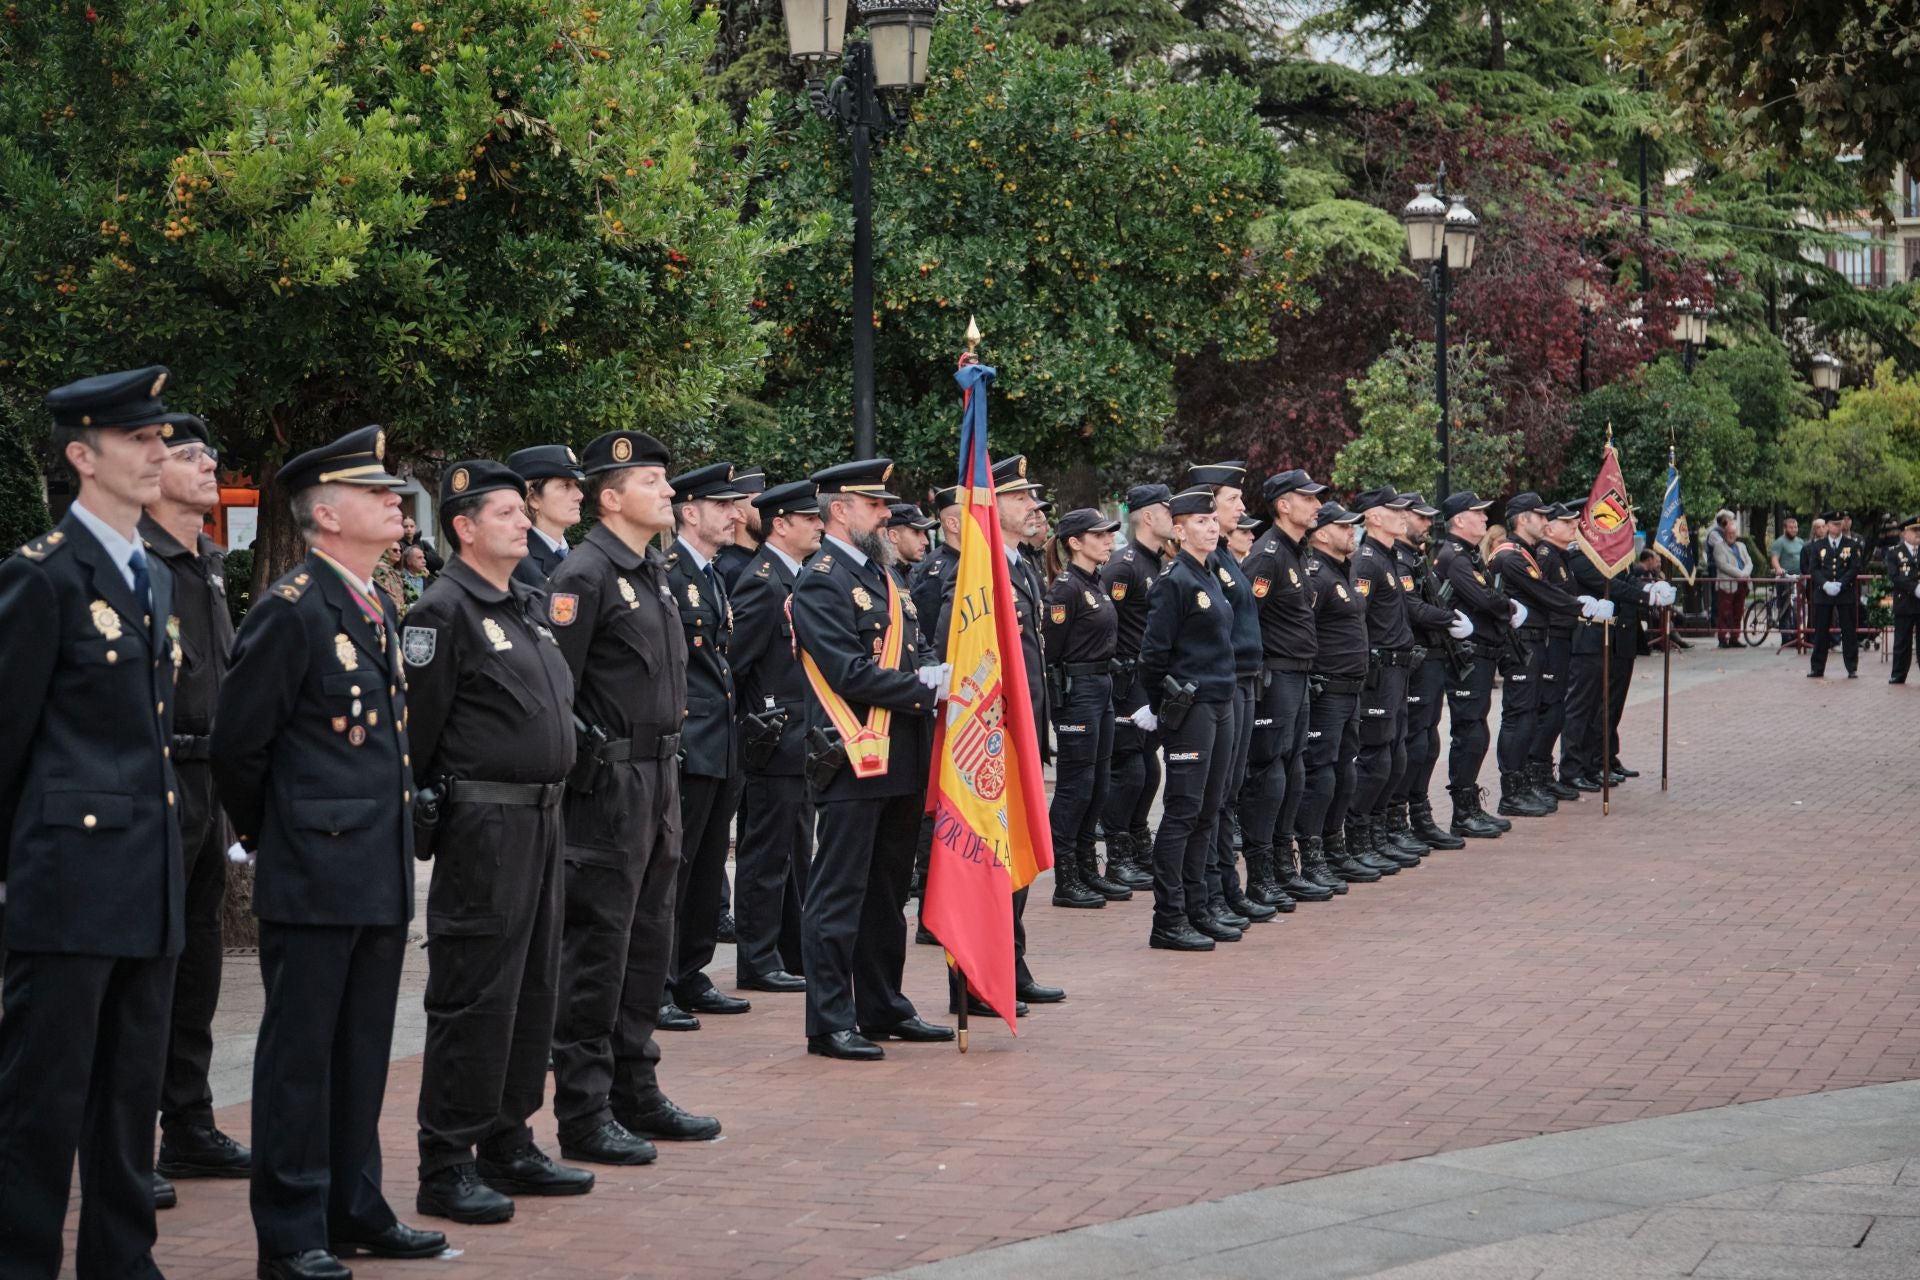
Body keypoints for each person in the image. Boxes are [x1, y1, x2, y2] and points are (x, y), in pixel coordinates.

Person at [212, 423, 449, 1280]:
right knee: (299, 1060)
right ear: (325, 512)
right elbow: (240, 748)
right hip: (314, 871)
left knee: (361, 1053)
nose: (395, 501)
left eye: (392, 490)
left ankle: (355, 1207)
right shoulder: (291, 609)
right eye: (376, 491)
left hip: (375, 871)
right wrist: (275, 836)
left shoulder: (373, 601)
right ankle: (292, 1231)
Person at [0, 367, 189, 1280]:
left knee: (127, 1100)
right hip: (67, 886)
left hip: (145, 883)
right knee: (41, 1104)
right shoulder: (42, 577)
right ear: (83, 456)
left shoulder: (148, 574)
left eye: (161, 437)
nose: (159, 452)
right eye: (139, 440)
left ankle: (123, 1264)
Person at [404, 460, 593, 1224]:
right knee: (475, 992)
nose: (524, 521)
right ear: (465, 527)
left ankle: (508, 1138)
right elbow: (417, 737)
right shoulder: (442, 611)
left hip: (546, 817)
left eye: (524, 509)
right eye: (507, 512)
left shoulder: (524, 603)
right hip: (485, 824)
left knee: (533, 988)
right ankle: (447, 1160)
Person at [544, 430, 720, 1168]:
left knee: (648, 940)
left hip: (660, 779)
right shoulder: (584, 574)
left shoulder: (652, 570)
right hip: (608, 788)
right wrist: (594, 771)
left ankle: (635, 1087)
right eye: (653, 482)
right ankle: (585, 1111)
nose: (669, 493)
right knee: (598, 948)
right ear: (609, 497)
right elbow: (557, 689)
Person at [791, 459, 952, 1059]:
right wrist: (924, 689)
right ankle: (830, 1020)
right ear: (842, 510)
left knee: (887, 892)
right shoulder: (822, 579)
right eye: (876, 505)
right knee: (839, 894)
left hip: (901, 755)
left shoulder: (887, 576)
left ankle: (883, 1005)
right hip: (852, 753)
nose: (888, 515)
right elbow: (846, 671)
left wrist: (943, 674)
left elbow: (915, 648)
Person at [141, 413, 251, 1193]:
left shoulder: (207, 560)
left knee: (199, 963)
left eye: (209, 453)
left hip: (209, 781)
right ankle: (118, 1136)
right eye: (189, 455)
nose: (208, 463)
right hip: (154, 780)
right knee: (146, 964)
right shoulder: (135, 561)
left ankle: (188, 1121)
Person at [932, 455, 1065, 1013]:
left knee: (1016, 853)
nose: (1033, 507)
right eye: (1019, 497)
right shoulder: (971, 571)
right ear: (987, 506)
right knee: (986, 854)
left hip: (1022, 731)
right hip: (988, 738)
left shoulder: (1022, 565)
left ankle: (1010, 961)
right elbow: (953, 651)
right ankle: (974, 977)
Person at [659, 464, 751, 1030]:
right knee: (676, 867)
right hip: (690, 743)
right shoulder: (669, 574)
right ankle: (661, 978)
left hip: (719, 743)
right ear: (689, 511)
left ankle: (692, 970)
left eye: (735, 505)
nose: (734, 514)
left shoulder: (711, 575)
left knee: (709, 862)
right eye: (722, 505)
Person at [1136, 486, 1237, 949]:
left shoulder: (1209, 574)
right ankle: (1168, 919)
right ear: (1177, 530)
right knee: (1183, 813)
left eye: (1213, 519)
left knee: (1208, 811)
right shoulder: (1174, 580)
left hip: (1220, 702)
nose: (1212, 527)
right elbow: (1153, 655)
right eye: (1200, 521)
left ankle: (1199, 908)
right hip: (1192, 708)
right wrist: (1162, 706)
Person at [730, 481, 821, 992]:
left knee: (794, 852)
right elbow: (735, 666)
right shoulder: (762, 582)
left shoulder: (794, 578)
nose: (818, 525)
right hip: (772, 738)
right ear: (780, 524)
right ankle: (757, 957)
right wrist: (751, 726)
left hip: (798, 740)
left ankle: (791, 950)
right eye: (808, 519)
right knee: (766, 855)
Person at [1239, 470, 1339, 903]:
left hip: (1298, 674)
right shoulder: (1268, 555)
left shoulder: (1293, 553)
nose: (1317, 507)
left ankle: (1283, 866)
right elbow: (1245, 619)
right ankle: (1261, 876)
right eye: (1308, 499)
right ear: (1283, 505)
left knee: (1293, 771)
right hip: (1275, 676)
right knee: (1269, 775)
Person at [1186, 461, 1275, 928]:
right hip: (1223, 685)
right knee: (1213, 796)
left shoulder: (1226, 558)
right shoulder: (1206, 563)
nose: (1241, 507)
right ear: (1209, 505)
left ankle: (1226, 888)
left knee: (1228, 793)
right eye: (1232, 500)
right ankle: (1213, 893)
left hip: (1242, 682)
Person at [1348, 487, 1442, 872]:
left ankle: (1380, 830)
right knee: (1376, 758)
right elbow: (1358, 618)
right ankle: (1358, 835)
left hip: (1400, 667)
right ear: (1372, 517)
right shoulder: (1367, 560)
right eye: (1394, 509)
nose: (1404, 515)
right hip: (1379, 671)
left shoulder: (1390, 558)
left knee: (1395, 755)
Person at [1042, 508, 1127, 909]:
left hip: (1101, 686)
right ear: (1075, 542)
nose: (1108, 540)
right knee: (1075, 786)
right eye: (1099, 535)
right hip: (1077, 691)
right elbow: (1053, 652)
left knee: (1098, 784)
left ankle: (1088, 869)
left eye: (1110, 534)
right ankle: (1066, 877)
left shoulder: (1094, 583)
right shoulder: (1066, 589)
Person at [1488, 493, 1592, 818]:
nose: (1546, 522)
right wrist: (1583, 606)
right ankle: (1512, 790)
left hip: (1535, 641)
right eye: (1540, 515)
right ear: (1523, 519)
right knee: (1519, 717)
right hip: (1521, 644)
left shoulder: (1527, 553)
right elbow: (1544, 593)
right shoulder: (1510, 556)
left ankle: (1526, 783)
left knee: (1531, 714)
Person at [1096, 485, 1174, 893]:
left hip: (1148, 679)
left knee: (1147, 765)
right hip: (1126, 681)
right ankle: (1118, 852)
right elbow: (1103, 619)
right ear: (1147, 516)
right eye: (1167, 508)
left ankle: (1138, 841)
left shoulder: (1156, 563)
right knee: (1127, 767)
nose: (1172, 515)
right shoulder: (1124, 564)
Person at [1297, 501, 1379, 883]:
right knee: (1322, 773)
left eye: (1353, 526)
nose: (1352, 532)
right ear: (1323, 534)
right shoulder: (1316, 575)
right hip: (1327, 690)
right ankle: (1311, 854)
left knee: (1344, 771)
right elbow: (1304, 629)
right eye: (1344, 527)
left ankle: (1334, 846)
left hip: (1351, 689)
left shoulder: (1342, 572)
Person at [1388, 494, 1471, 853]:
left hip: (1432, 658)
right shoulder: (1398, 559)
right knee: (1414, 742)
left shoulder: (1416, 557)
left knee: (1427, 740)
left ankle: (1420, 814)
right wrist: (1449, 618)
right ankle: (1400, 818)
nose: (1428, 524)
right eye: (1420, 518)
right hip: (1417, 659)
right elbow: (1412, 608)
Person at [1433, 493, 1517, 838]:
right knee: (1469, 732)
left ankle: (1468, 806)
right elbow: (1484, 598)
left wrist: (1502, 605)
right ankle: (1462, 812)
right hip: (1466, 656)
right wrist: (1509, 607)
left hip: (1480, 653)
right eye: (1477, 514)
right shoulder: (1453, 556)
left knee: (1476, 730)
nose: (1484, 520)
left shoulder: (1466, 554)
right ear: (1458, 521)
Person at [1529, 504, 1586, 803]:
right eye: (1566, 522)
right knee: (1549, 709)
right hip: (1551, 638)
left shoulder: (1560, 556)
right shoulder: (1546, 556)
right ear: (1550, 528)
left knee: (1556, 709)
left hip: (1563, 637)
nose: (1573, 525)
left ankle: (1543, 772)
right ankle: (1535, 774)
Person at [506, 444, 585, 587]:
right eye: (565, 486)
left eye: (576, 485)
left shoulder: (577, 557)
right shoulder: (516, 564)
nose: (579, 495)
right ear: (533, 498)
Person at [1806, 509, 1861, 678]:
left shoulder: (1851, 545)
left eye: (1840, 524)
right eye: (1835, 524)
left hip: (1844, 592)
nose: (1838, 527)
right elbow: (1813, 569)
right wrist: (1825, 584)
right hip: (1824, 593)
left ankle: (1851, 667)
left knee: (1848, 631)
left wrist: (1841, 583)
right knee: (1821, 631)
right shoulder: (1817, 546)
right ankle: (1817, 667)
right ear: (1828, 526)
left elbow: (1854, 568)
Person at [713, 466, 767, 590]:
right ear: (740, 515)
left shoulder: (759, 558)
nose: (768, 514)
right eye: (761, 507)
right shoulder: (730, 569)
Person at [1706, 510, 1753, 647]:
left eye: (1733, 534)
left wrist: (1745, 573)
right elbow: (1722, 565)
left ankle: (1734, 638)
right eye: (1729, 534)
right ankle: (1723, 638)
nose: (1732, 536)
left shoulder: (1742, 546)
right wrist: (1741, 574)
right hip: (1727, 585)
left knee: (1738, 612)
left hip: (1742, 584)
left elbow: (1749, 562)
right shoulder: (1719, 547)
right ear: (1725, 534)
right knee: (1725, 612)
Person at [1885, 516, 1920, 684]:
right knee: (1902, 641)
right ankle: (1898, 674)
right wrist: (1915, 588)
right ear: (1905, 533)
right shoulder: (1894, 553)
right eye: (1915, 531)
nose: (1918, 534)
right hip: (1905, 602)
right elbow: (1895, 576)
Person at [1769, 514, 1805, 630]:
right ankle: (1785, 635)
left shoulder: (1800, 542)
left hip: (1798, 577)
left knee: (1799, 605)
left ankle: (1796, 633)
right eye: (1791, 527)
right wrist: (1779, 569)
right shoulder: (1780, 542)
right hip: (1785, 577)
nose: (1794, 530)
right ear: (1785, 529)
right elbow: (1774, 559)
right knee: (1784, 605)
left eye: (1795, 527)